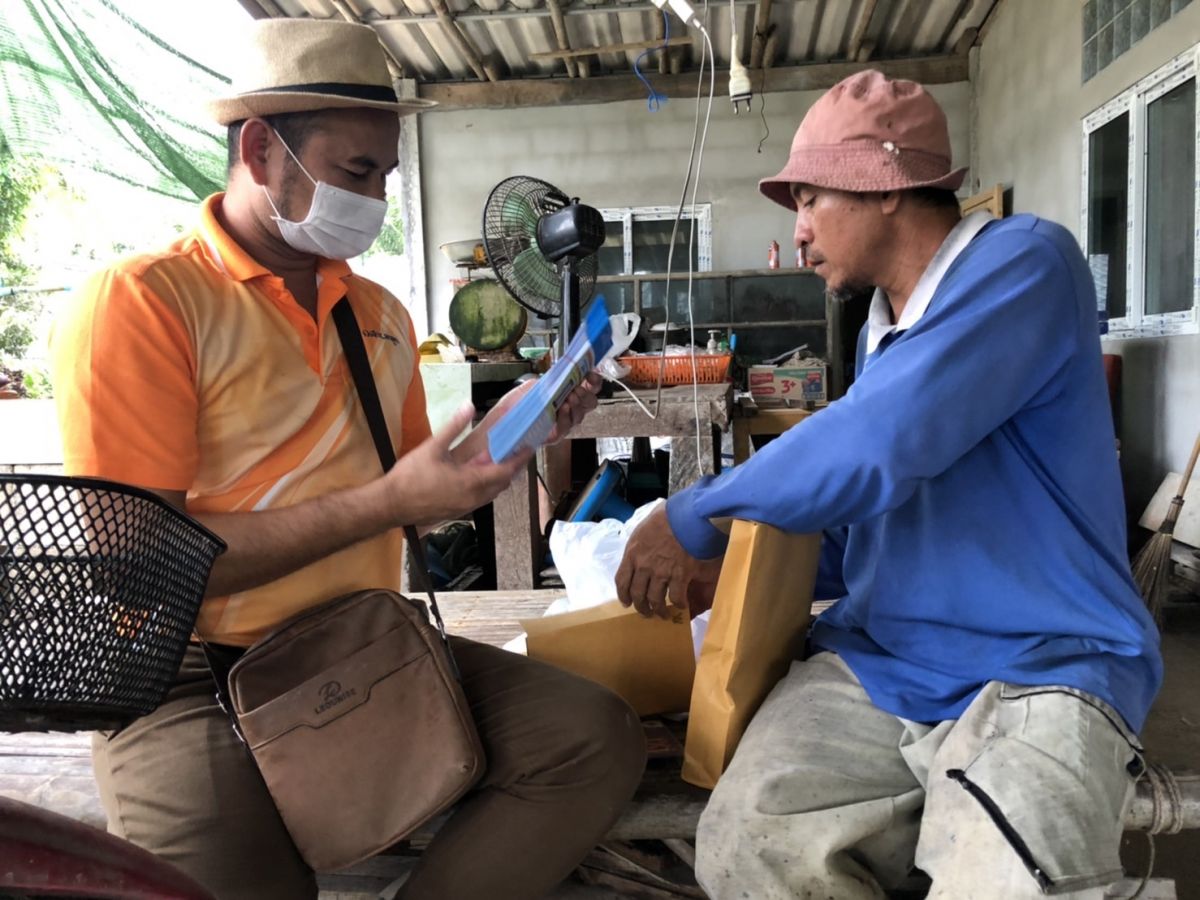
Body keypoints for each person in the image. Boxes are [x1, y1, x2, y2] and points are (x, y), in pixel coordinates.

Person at [50, 18, 644, 900]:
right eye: (355, 172)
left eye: (386, 177)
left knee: (590, 739)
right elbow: (136, 566)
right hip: (186, 673)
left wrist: (510, 439)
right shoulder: (146, 301)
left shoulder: (378, 315)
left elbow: (416, 497)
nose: (374, 200)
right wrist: (386, 502)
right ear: (261, 150)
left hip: (355, 644)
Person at [616, 69, 1162, 899]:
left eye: (809, 200)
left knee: (1009, 878)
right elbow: (864, 532)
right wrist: (728, 570)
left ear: (884, 185)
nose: (798, 233)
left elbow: (878, 442)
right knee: (747, 840)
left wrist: (694, 513)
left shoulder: (1025, 264)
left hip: (1044, 664)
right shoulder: (883, 333)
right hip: (884, 664)